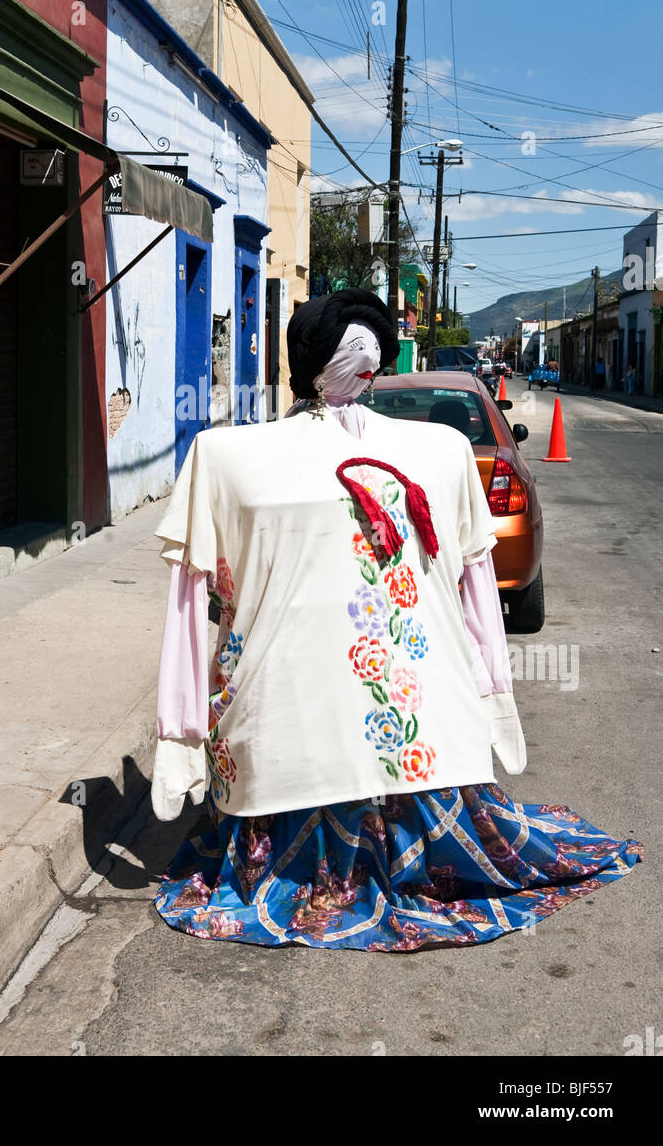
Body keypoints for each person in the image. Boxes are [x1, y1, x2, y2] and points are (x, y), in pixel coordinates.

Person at [150, 289, 642, 951]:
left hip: (414, 717)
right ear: (310, 355)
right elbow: (185, 608)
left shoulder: (438, 452)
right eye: (347, 350)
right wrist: (178, 735)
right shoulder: (224, 457)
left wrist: (494, 694)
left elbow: (474, 592)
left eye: (367, 352)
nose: (359, 364)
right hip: (277, 718)